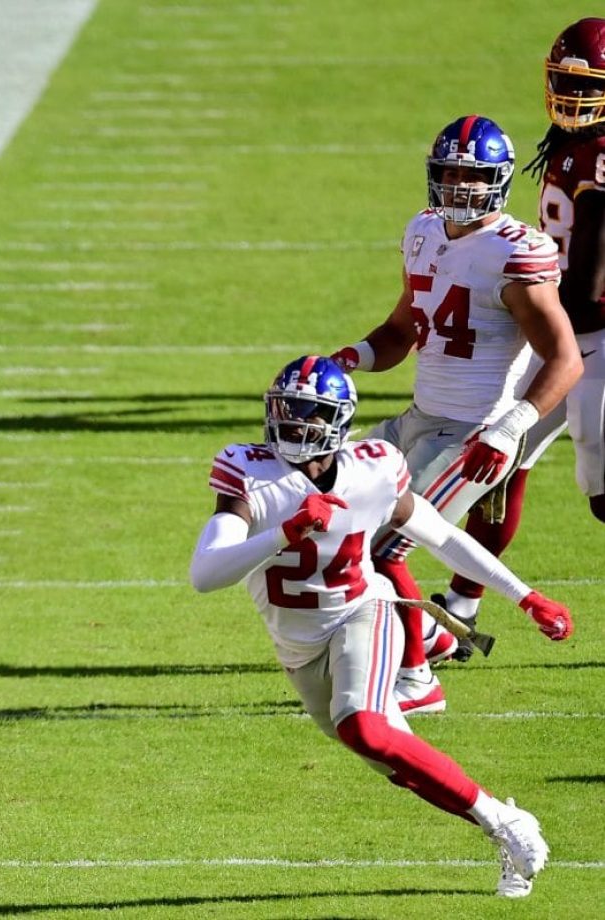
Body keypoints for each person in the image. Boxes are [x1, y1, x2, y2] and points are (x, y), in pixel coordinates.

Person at [189, 354, 572, 898]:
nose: (291, 425)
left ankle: (509, 825)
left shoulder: (373, 468)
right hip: (299, 648)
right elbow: (205, 573)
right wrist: (285, 533)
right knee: (397, 761)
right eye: (285, 411)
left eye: (307, 413)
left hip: (364, 612)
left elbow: (440, 535)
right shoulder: (252, 474)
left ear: (337, 422)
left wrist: (524, 595)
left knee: (364, 726)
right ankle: (506, 826)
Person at [330, 115, 583, 712]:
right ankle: (437, 635)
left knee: (379, 548)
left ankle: (418, 683)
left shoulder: (516, 252)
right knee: (336, 509)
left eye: (472, 176)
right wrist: (352, 358)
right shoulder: (423, 230)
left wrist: (511, 427)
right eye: (449, 172)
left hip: (474, 433)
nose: (459, 186)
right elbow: (401, 330)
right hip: (419, 416)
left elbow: (565, 358)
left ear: (496, 181)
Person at [434, 18, 605, 653]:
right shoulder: (567, 139)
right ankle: (457, 611)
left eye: (583, 83)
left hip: (593, 334)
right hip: (559, 330)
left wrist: (550, 327)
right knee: (497, 468)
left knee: (603, 496)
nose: (571, 94)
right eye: (561, 80)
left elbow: (591, 261)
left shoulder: (600, 151)